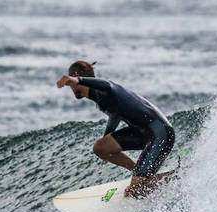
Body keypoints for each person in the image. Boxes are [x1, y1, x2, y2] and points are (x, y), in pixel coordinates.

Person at [56, 60, 175, 198]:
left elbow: (109, 85)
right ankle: (142, 174)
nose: (70, 87)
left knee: (136, 191)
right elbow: (114, 116)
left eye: (71, 82)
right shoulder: (99, 99)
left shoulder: (103, 89)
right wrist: (107, 137)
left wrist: (76, 79)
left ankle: (179, 176)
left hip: (160, 135)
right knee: (100, 147)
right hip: (144, 133)